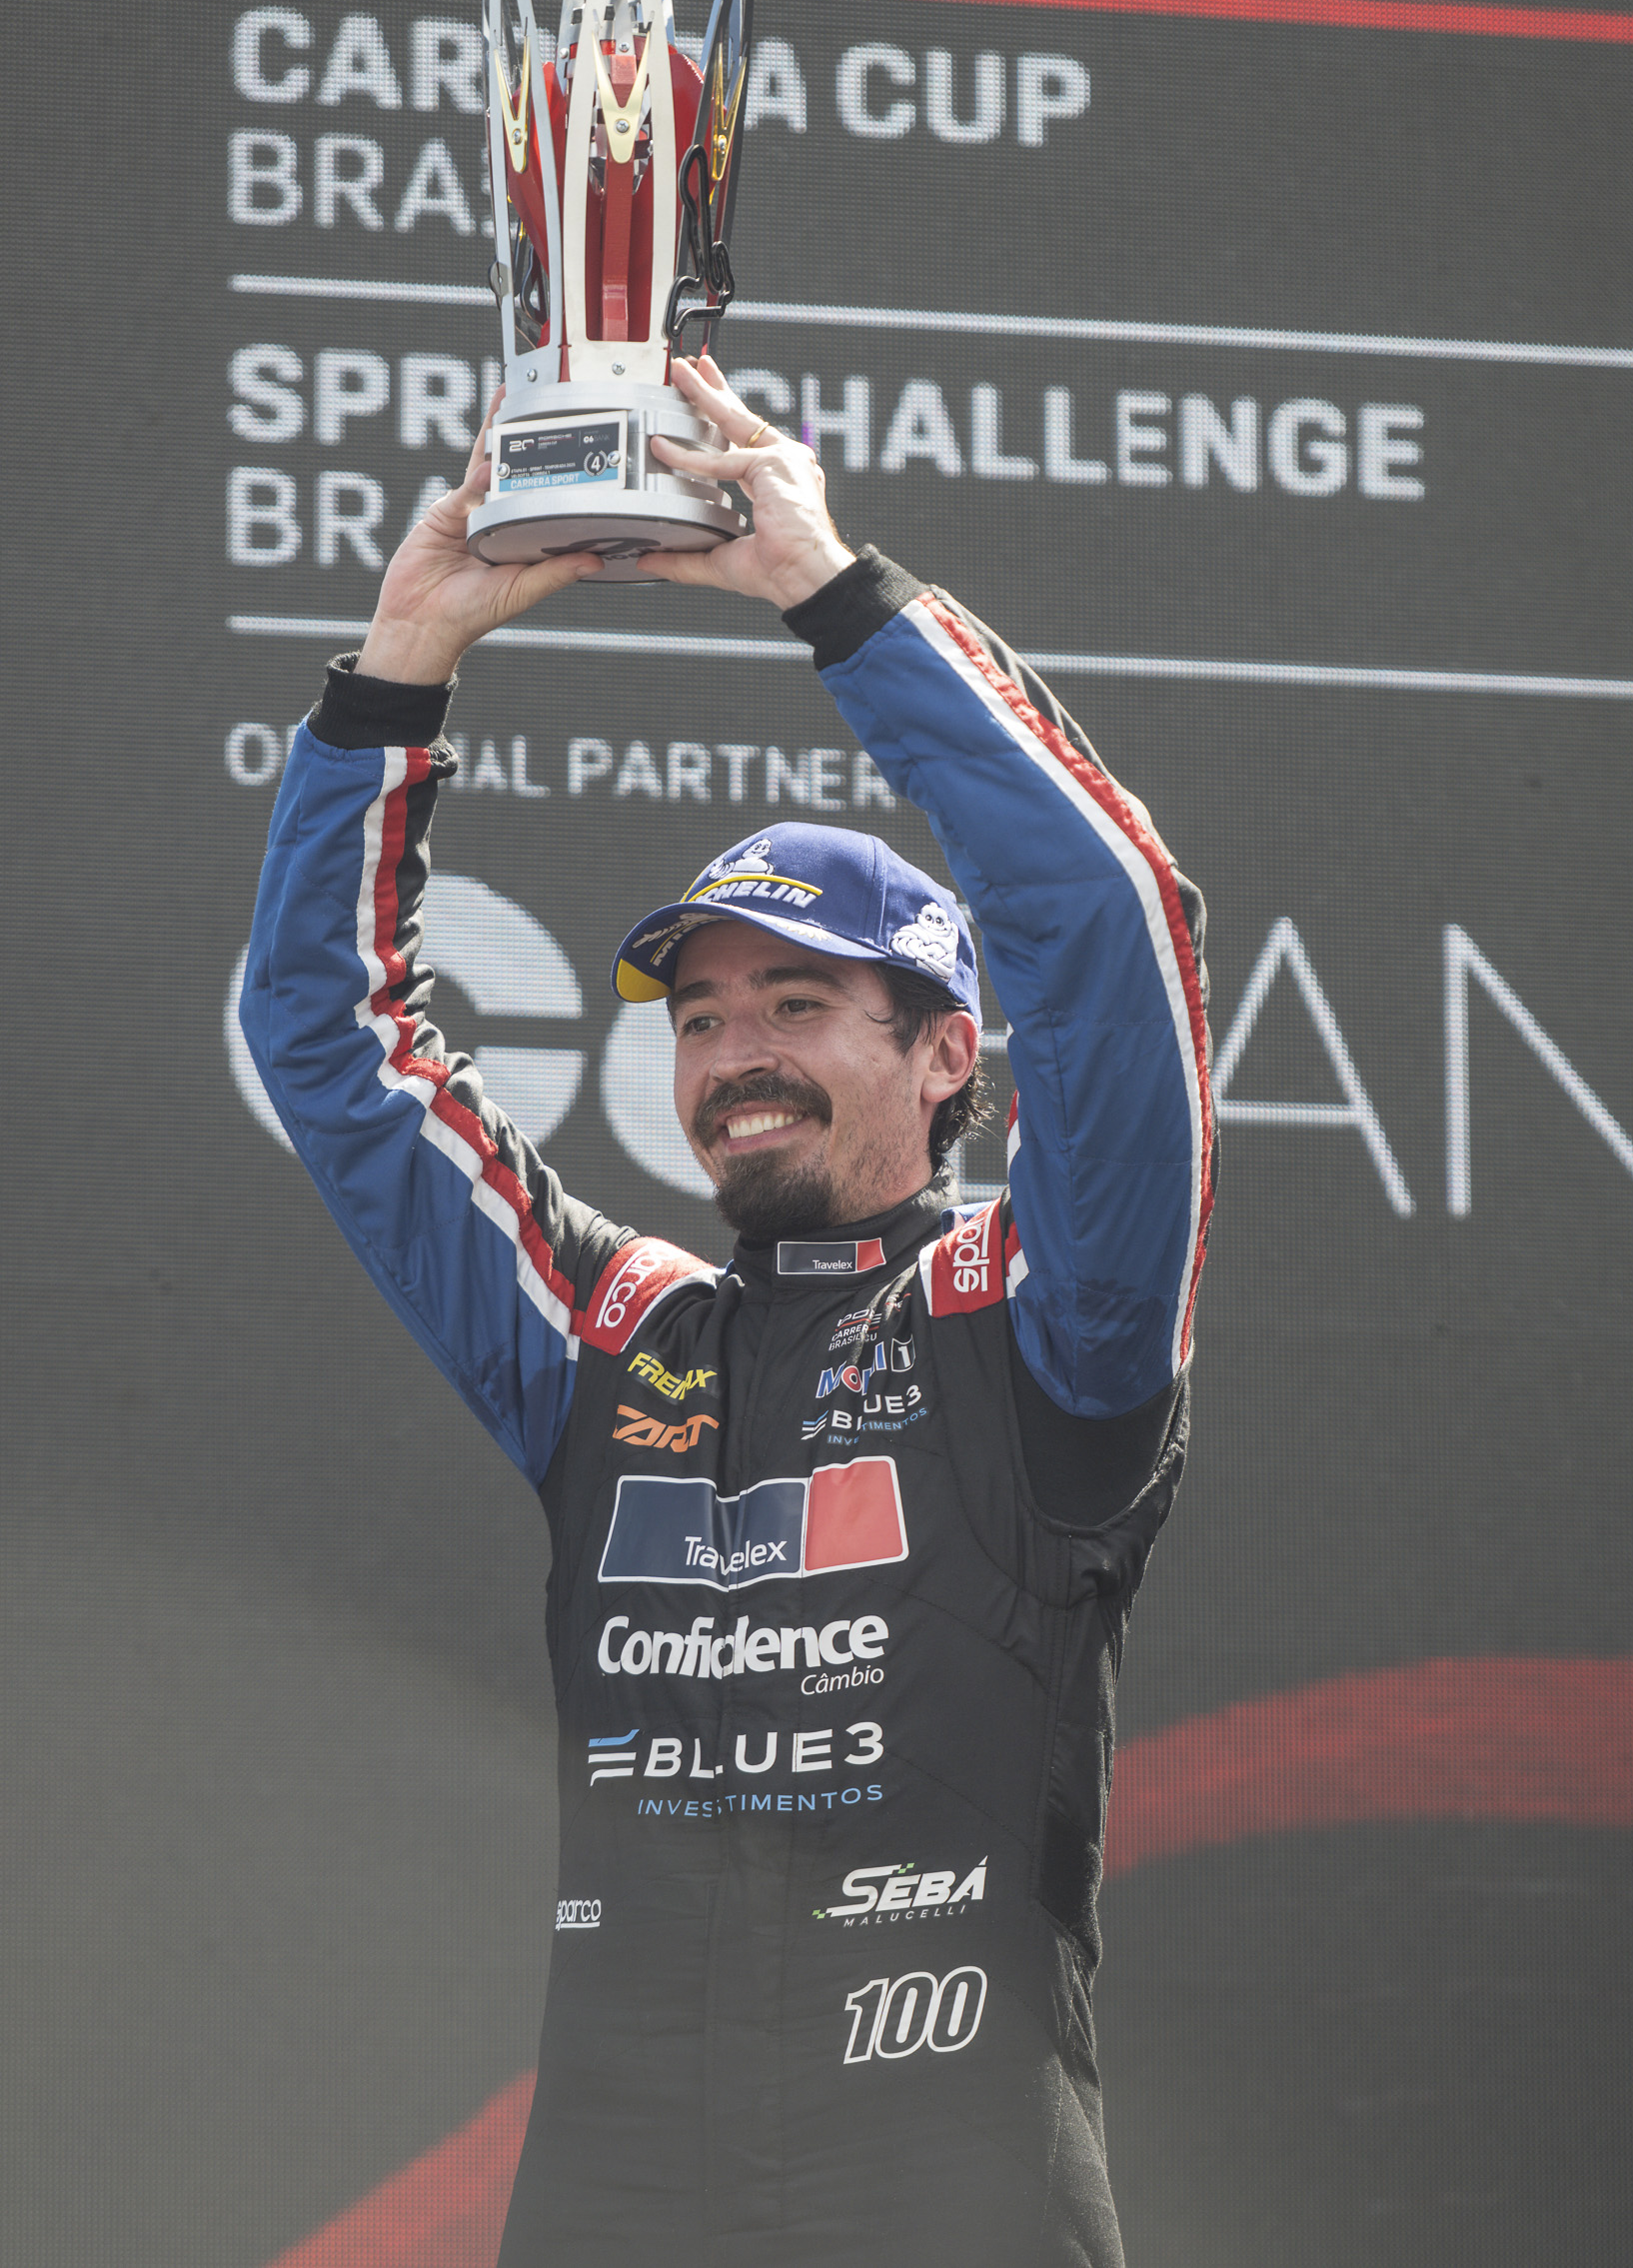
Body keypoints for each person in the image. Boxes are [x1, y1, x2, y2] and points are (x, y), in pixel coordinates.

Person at [241, 353, 1216, 2267]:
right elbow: (333, 1051)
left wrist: (835, 598)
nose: (732, 1053)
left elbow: (1116, 934)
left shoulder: (1044, 1319)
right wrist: (401, 665)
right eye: (697, 1016)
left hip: (954, 2186)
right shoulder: (614, 1337)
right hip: (619, 2193)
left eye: (798, 1003)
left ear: (947, 1054)